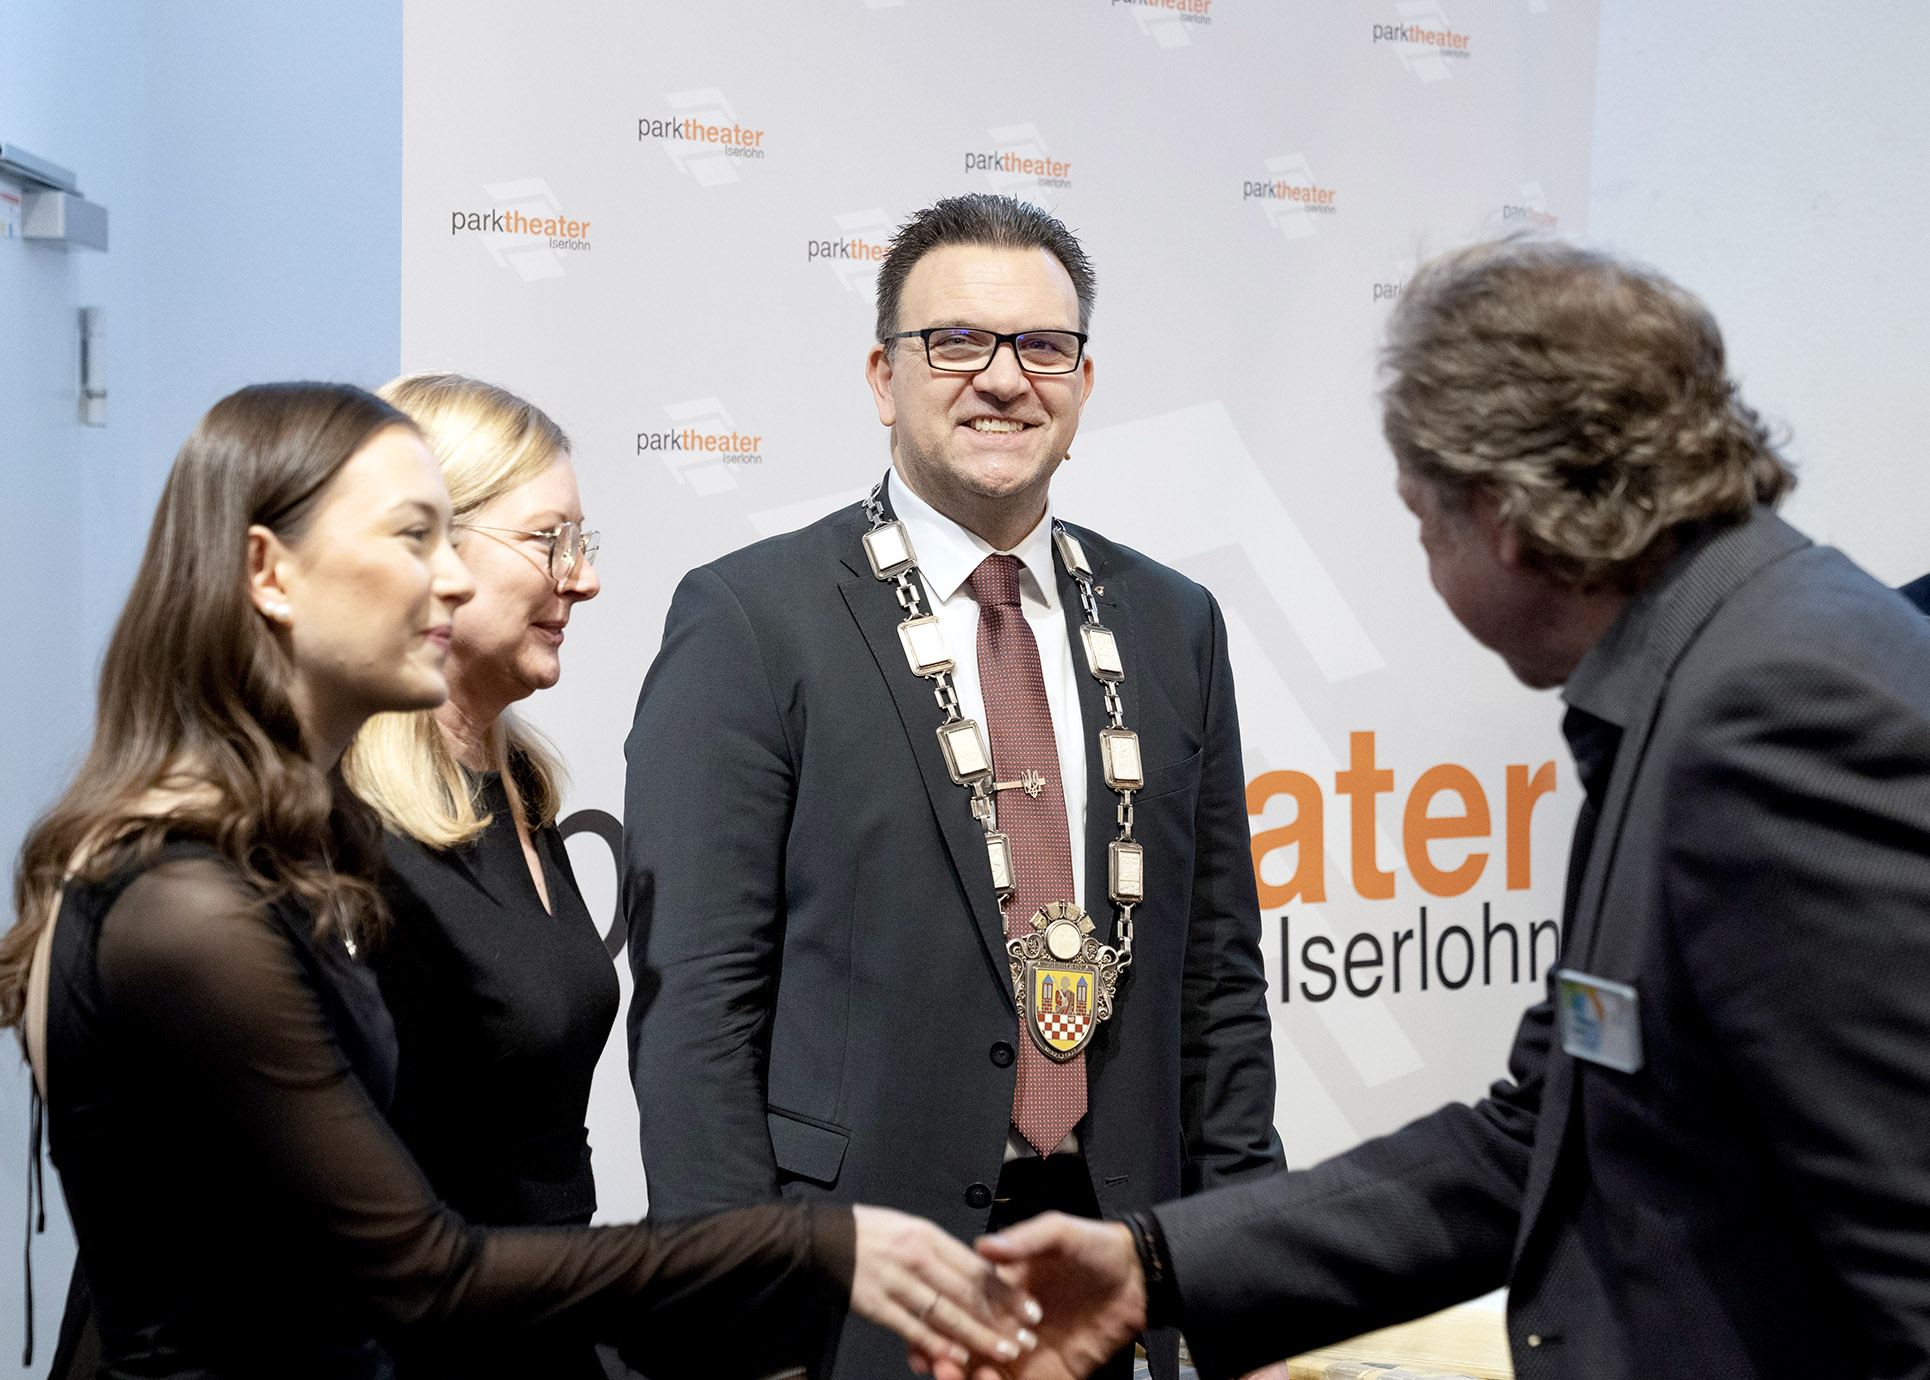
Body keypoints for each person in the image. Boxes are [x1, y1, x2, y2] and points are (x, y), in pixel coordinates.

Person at [974, 239, 1930, 1380]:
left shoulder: (1773, 712)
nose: (1425, 557)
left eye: (1423, 520)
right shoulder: (1716, 670)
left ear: (1505, 517)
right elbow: (1543, 1129)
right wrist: (1154, 1267)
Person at [1, 382, 1040, 1379]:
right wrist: (801, 1246)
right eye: (413, 539)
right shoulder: (186, 908)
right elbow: (424, 1278)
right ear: (270, 572)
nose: (449, 582)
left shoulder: (277, 860)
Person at [623, 193, 1282, 1380]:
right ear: (884, 376)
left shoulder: (1172, 623)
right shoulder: (753, 621)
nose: (1004, 380)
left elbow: (1217, 977)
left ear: (1083, 382)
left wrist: (1245, 1277)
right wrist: (736, 1307)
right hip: (850, 1284)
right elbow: (698, 1010)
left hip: (1113, 1265)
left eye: (1043, 348)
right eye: (957, 343)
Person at [341, 374, 611, 1379]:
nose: (583, 580)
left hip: (542, 1328)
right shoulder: (342, 830)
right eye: (549, 542)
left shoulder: (522, 790)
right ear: (431, 549)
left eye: (582, 543)